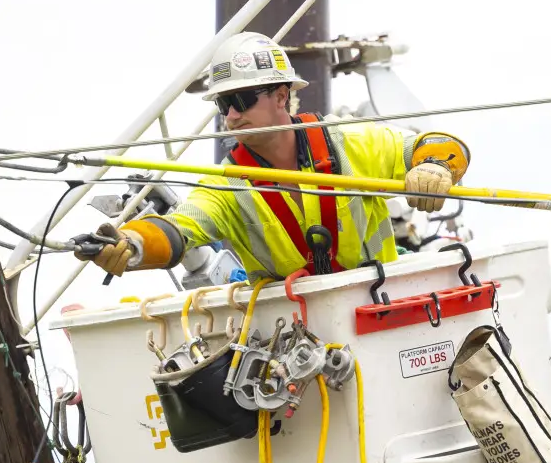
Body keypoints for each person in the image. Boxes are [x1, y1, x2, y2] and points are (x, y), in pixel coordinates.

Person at [76, 32, 470, 283]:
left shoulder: (348, 144)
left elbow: (436, 143)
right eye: (223, 104)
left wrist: (436, 165)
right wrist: (132, 244)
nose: (230, 116)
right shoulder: (228, 186)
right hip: (294, 340)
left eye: (240, 100)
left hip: (381, 308)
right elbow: (178, 230)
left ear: (282, 96)